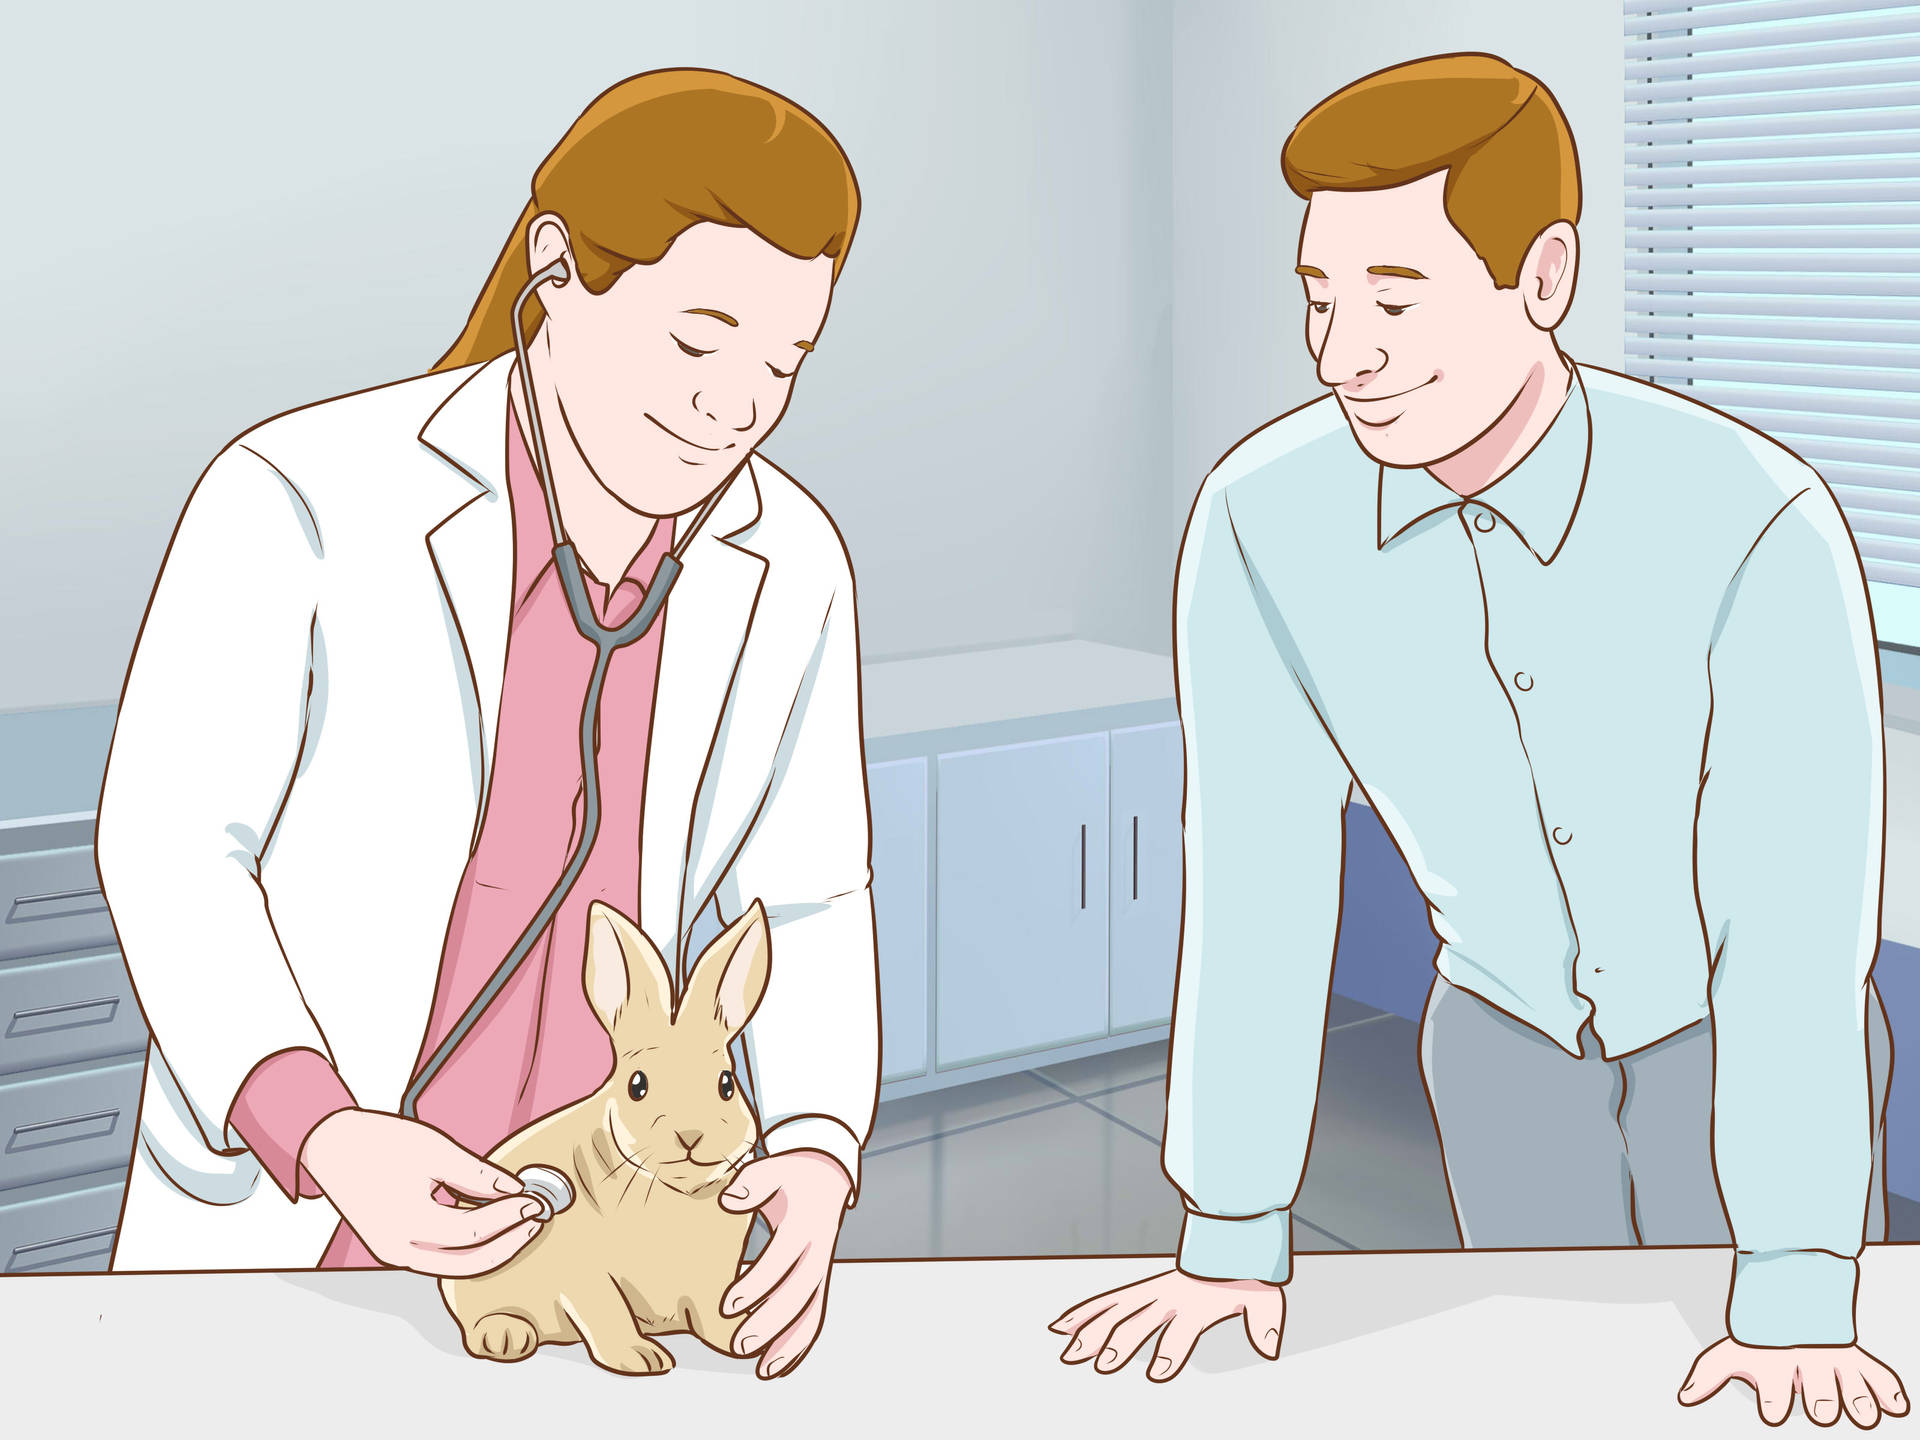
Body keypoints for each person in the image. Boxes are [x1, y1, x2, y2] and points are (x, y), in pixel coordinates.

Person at [1050, 53, 1905, 1427]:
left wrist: (1800, 1283)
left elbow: (1794, 925)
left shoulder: (1755, 515)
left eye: (1396, 300)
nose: (1345, 354)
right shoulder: (1260, 520)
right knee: (1557, 1398)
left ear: (1545, 279)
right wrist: (1229, 1231)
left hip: (1742, 1041)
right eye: (1319, 302)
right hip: (1501, 1048)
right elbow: (1259, 881)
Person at [98, 69, 878, 1380]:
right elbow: (175, 848)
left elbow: (804, 895)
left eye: (783, 363)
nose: (737, 407)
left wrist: (812, 1141)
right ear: (556, 270)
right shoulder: (296, 493)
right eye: (699, 341)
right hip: (318, 1215)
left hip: (611, 1242)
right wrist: (326, 1132)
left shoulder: (789, 559)